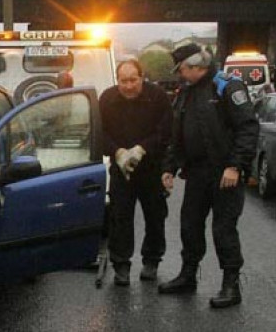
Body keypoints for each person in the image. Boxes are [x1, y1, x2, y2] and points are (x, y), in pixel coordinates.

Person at [158, 44, 259, 309]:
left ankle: (230, 285)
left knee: (223, 230)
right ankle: (188, 275)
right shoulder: (186, 93)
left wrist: (235, 166)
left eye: (181, 69)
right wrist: (169, 168)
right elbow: (176, 135)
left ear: (194, 66)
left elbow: (247, 128)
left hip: (225, 173)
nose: (180, 74)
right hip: (197, 173)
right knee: (190, 225)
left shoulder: (226, 86)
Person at [100, 59, 172, 286]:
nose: (129, 86)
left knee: (155, 217)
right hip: (121, 170)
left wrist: (142, 149)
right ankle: (121, 265)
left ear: (142, 77)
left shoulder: (158, 96)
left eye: (133, 80)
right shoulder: (107, 99)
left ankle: (152, 261)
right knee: (120, 218)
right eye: (124, 81)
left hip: (151, 168)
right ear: (117, 80)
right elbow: (99, 132)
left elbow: (167, 131)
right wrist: (118, 152)